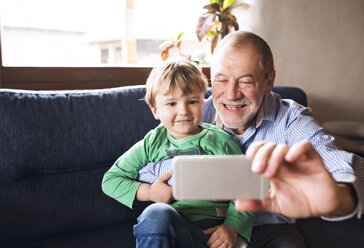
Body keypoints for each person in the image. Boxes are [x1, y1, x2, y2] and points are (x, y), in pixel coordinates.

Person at [143, 31, 364, 248]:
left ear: (269, 81)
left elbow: (342, 163)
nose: (231, 95)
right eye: (221, 80)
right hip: (206, 228)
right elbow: (147, 165)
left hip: (270, 230)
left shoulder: (290, 119)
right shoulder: (192, 114)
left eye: (246, 82)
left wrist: (340, 198)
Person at [102, 59, 254, 248]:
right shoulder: (152, 142)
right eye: (172, 103)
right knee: (155, 214)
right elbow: (111, 180)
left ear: (203, 102)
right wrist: (150, 192)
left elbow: (248, 186)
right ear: (155, 110)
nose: (183, 111)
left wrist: (233, 227)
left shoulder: (220, 141)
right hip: (167, 226)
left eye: (192, 101)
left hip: (211, 230)